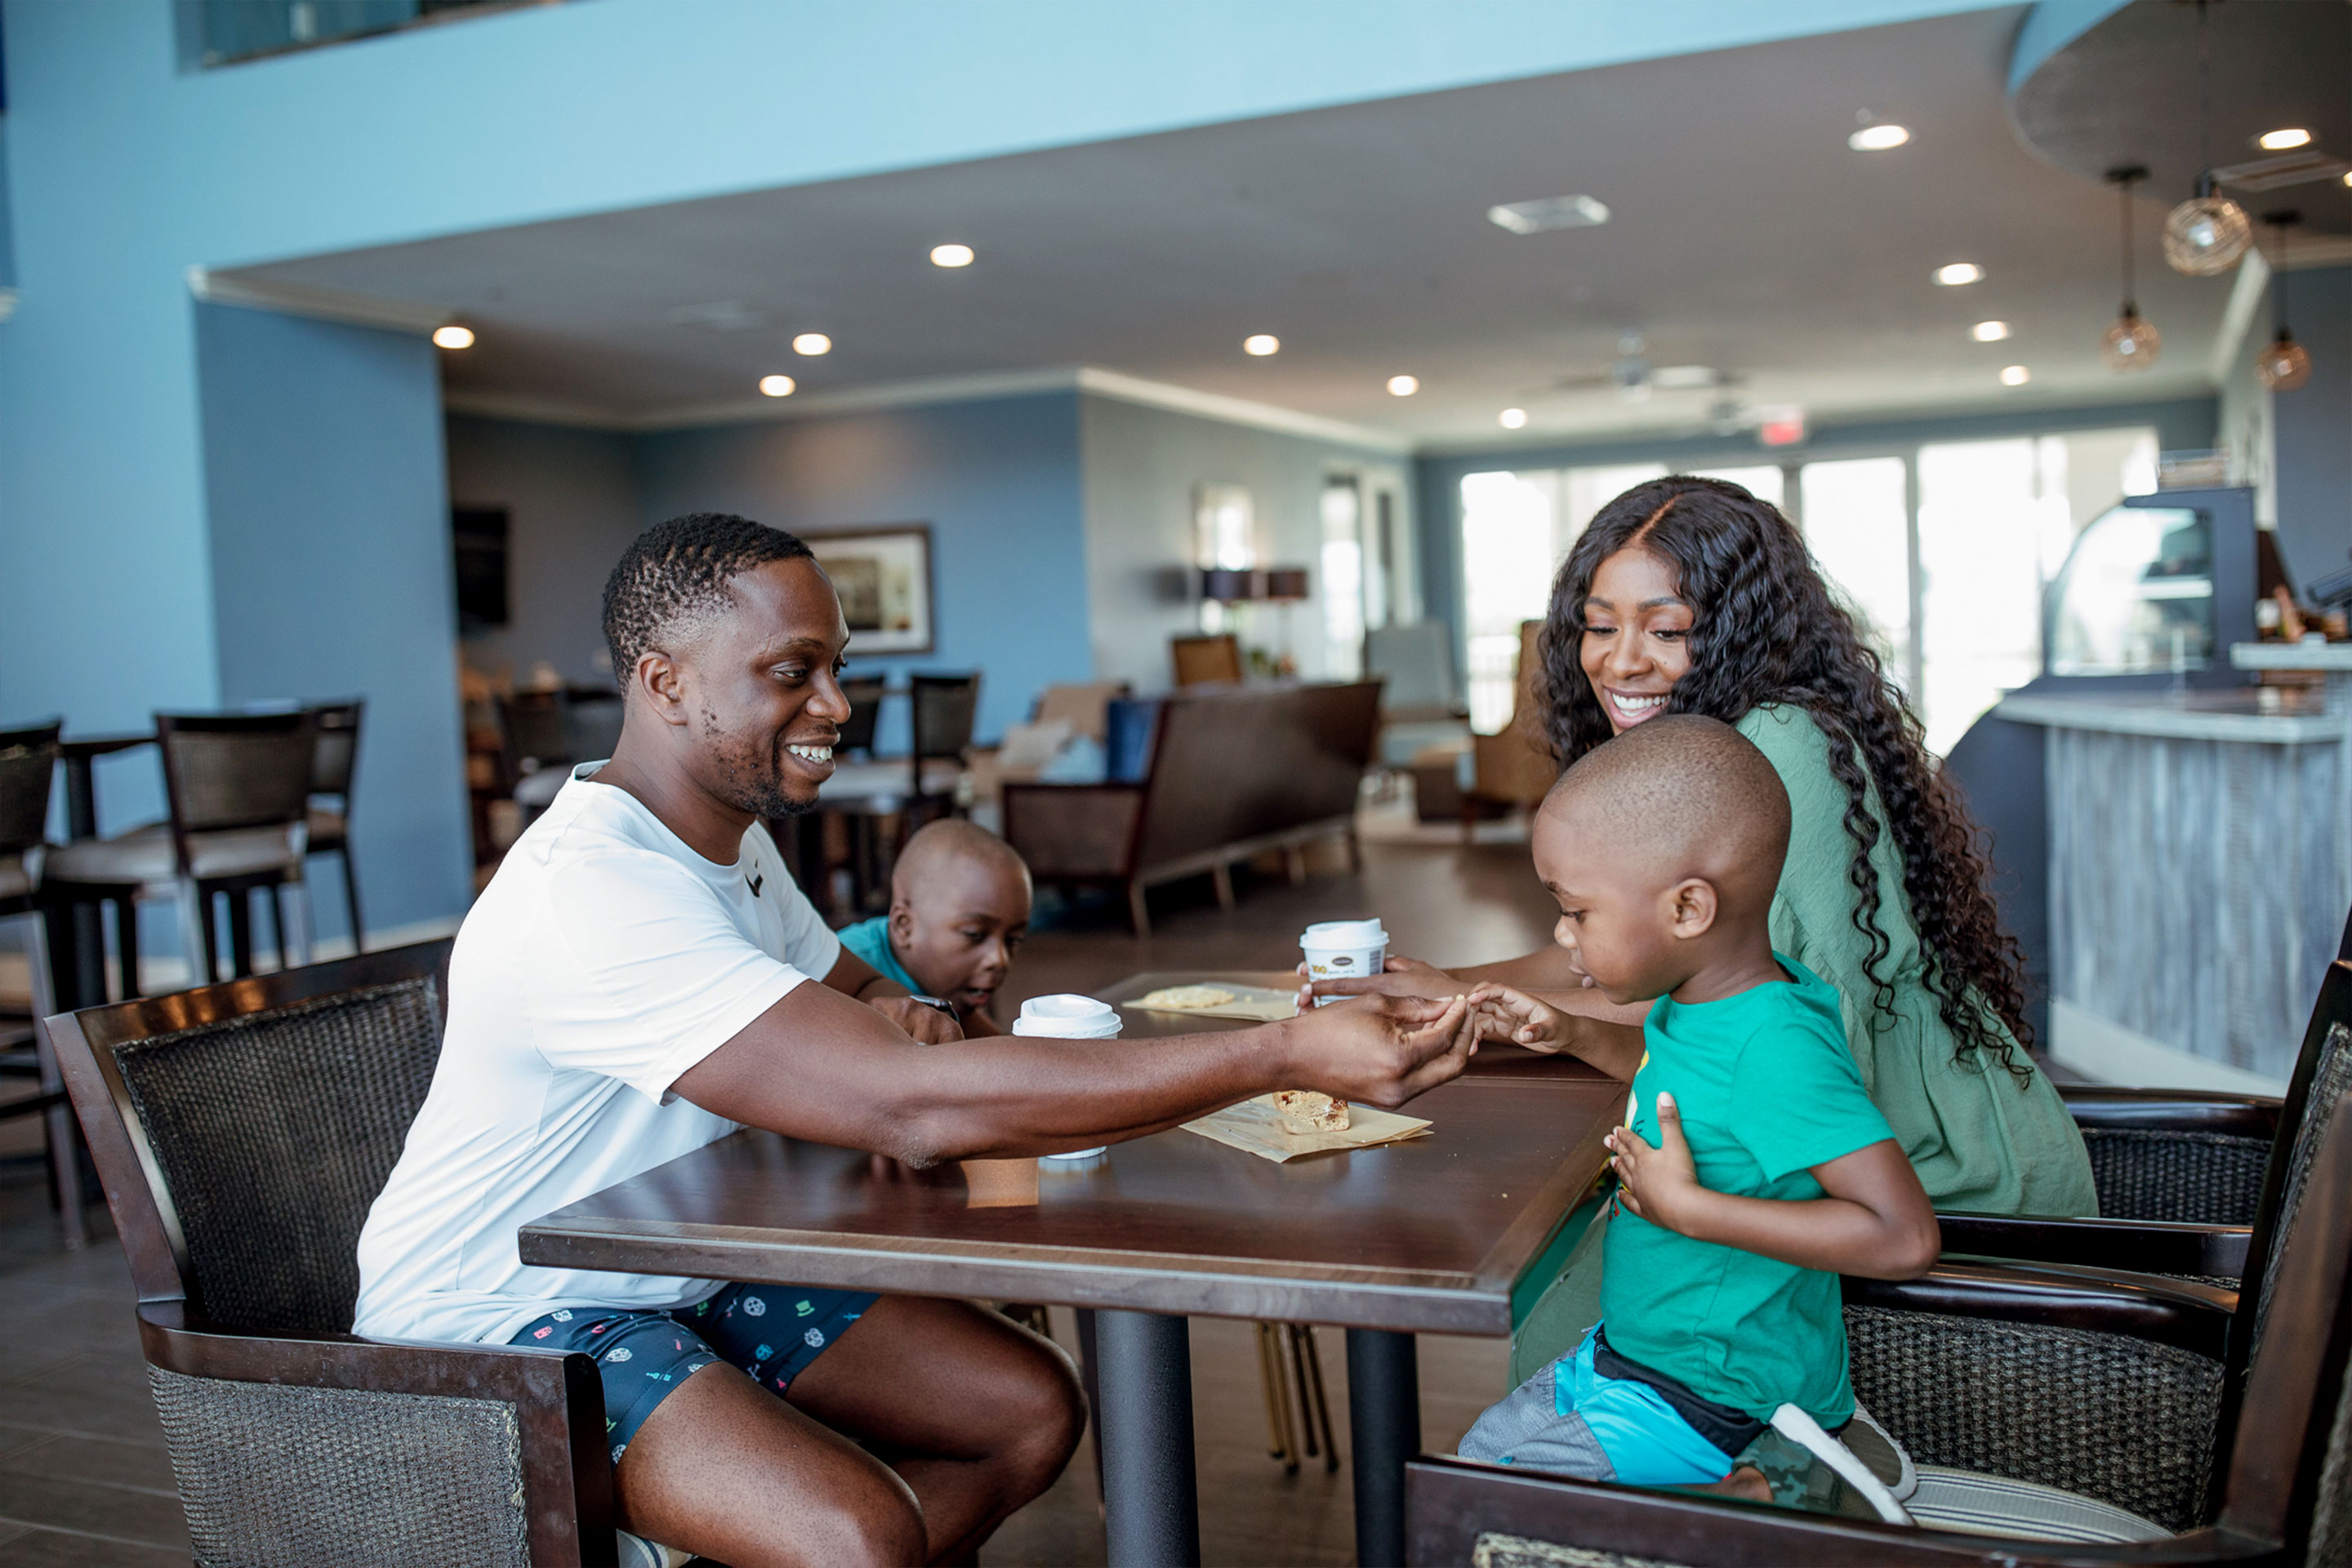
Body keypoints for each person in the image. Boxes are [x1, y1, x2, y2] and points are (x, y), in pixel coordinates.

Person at [354, 514, 1480, 1568]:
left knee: (1026, 1413)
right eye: (794, 672)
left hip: (669, 1273)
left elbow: (862, 999)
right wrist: (1282, 1055)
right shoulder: (594, 891)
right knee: (859, 1539)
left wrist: (897, 1021)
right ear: (665, 682)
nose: (838, 704)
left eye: (838, 668)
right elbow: (911, 1103)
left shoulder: (730, 851)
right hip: (501, 1318)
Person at [1311, 476, 2095, 1383]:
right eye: (1600, 626)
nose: (1619, 661)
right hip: (1867, 1154)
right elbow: (1618, 955)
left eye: (1666, 629)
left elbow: (1776, 1031)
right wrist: (1450, 983)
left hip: (1945, 1184)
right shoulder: (1706, 745)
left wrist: (1490, 1007)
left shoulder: (1776, 748)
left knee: (1615, 1286)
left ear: (1738, 630)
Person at [1458, 715, 1937, 1503]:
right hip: (1637, 1361)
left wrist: (1689, 1210)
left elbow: (1905, 1236)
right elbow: (1680, 1079)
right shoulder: (1701, 1002)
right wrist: (1572, 1032)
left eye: (1577, 911)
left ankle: (1766, 1492)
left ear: (1687, 909)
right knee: (1467, 1479)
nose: (1562, 933)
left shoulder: (1776, 1047)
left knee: (1492, 1514)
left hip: (1718, 1403)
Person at [837, 819, 1029, 1037]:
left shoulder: (945, 987)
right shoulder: (844, 969)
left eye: (1014, 939)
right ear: (904, 927)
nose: (999, 959)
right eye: (975, 935)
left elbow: (993, 1046)